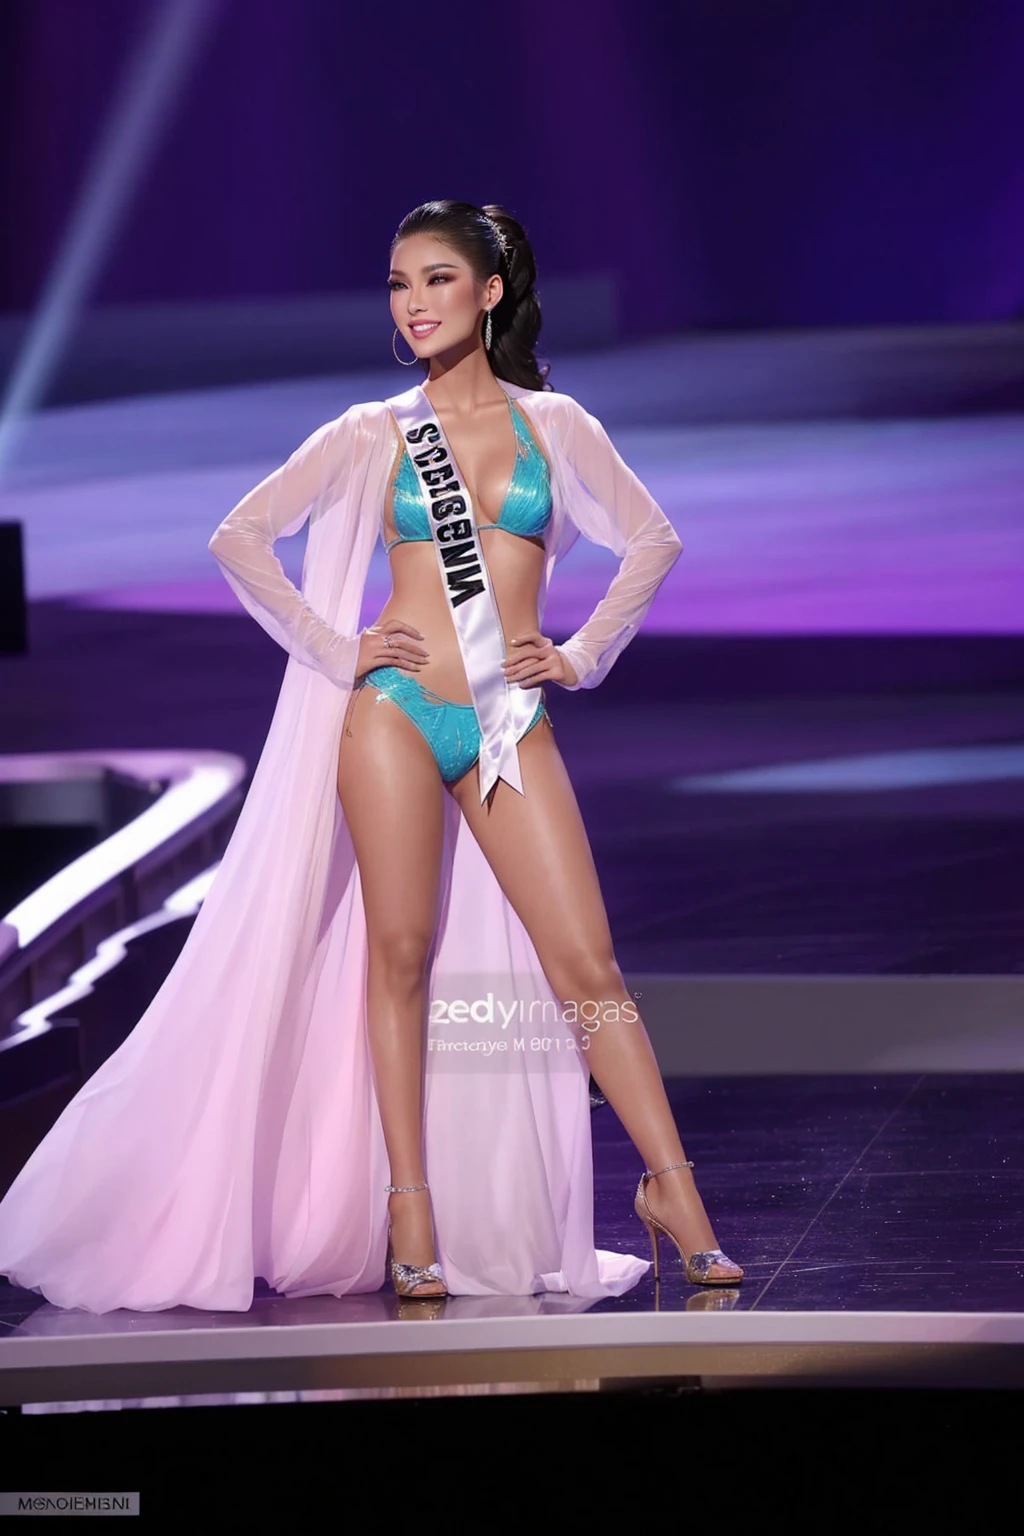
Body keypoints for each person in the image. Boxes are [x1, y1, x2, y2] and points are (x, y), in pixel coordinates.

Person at [0, 201, 740, 1313]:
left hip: (504, 718)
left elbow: (653, 538)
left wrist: (582, 655)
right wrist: (334, 645)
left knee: (587, 966)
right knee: (396, 958)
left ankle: (673, 1193)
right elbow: (239, 537)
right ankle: (410, 1208)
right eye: (397, 285)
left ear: (489, 292)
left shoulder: (558, 424)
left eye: (436, 280)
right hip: (394, 710)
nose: (413, 304)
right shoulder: (371, 431)